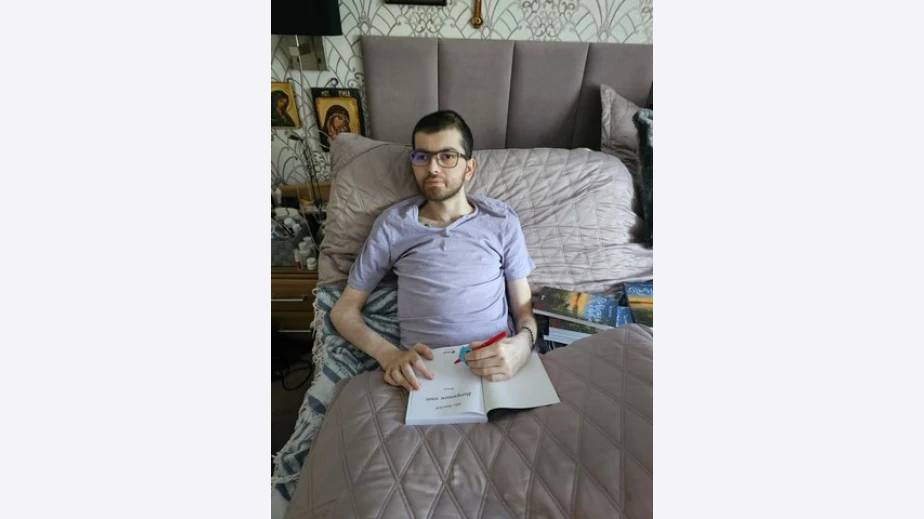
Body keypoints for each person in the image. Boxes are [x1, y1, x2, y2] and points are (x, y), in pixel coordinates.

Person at [330, 110, 538, 392]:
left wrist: (523, 345)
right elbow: (343, 311)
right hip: (425, 376)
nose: (433, 168)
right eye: (422, 157)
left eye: (447, 156)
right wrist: (388, 355)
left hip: (499, 364)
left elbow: (524, 311)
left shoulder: (501, 220)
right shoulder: (394, 224)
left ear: (469, 168)